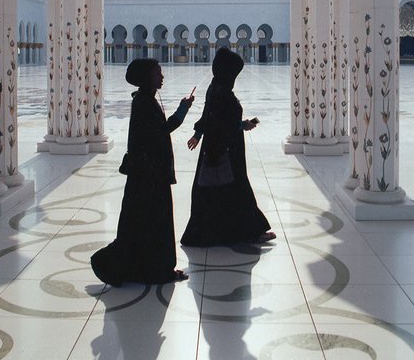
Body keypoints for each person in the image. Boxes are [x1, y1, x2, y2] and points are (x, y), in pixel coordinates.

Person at [90, 58, 194, 286]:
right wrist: (183, 110)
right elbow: (161, 131)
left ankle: (153, 268)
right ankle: (150, 269)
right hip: (149, 175)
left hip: (148, 173)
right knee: (152, 222)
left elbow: (157, 132)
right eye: (158, 73)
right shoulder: (144, 103)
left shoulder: (145, 100)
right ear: (147, 77)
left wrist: (181, 110)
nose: (162, 77)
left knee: (147, 222)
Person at [181, 46, 275, 248]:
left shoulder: (215, 87)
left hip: (217, 146)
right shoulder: (222, 92)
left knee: (215, 190)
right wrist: (243, 125)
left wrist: (198, 134)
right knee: (236, 188)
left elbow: (209, 116)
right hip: (225, 149)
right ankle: (250, 231)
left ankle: (214, 232)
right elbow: (221, 122)